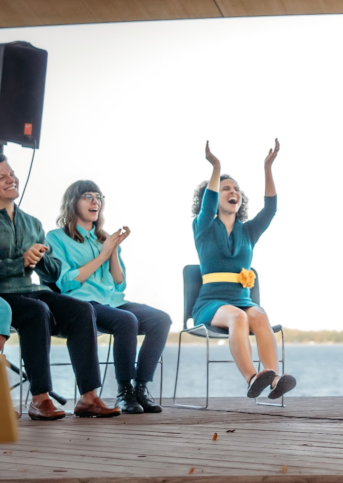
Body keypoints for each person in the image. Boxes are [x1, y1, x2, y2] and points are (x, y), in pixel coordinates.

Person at [0, 156, 119, 420]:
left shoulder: (32, 223)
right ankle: (40, 398)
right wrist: (20, 262)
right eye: (2, 177)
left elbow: (53, 271)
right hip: (3, 294)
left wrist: (40, 258)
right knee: (37, 311)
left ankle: (89, 397)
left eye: (12, 173)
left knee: (82, 310)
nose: (11, 180)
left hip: (29, 289)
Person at [46, 181, 172, 414]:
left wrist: (112, 250)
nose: (96, 201)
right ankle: (124, 392)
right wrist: (102, 256)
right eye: (88, 196)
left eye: (98, 197)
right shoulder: (56, 238)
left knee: (161, 319)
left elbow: (119, 283)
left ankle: (140, 388)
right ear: (73, 203)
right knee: (126, 320)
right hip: (82, 303)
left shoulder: (104, 239)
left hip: (113, 302)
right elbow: (65, 282)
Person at [192, 140, 295, 400]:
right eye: (226, 188)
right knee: (238, 317)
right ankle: (251, 378)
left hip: (241, 300)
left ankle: (273, 379)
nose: (233, 192)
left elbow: (270, 209)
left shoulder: (248, 231)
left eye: (236, 189)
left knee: (258, 314)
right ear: (214, 197)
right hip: (211, 303)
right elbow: (208, 204)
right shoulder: (203, 226)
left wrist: (267, 168)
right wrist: (216, 167)